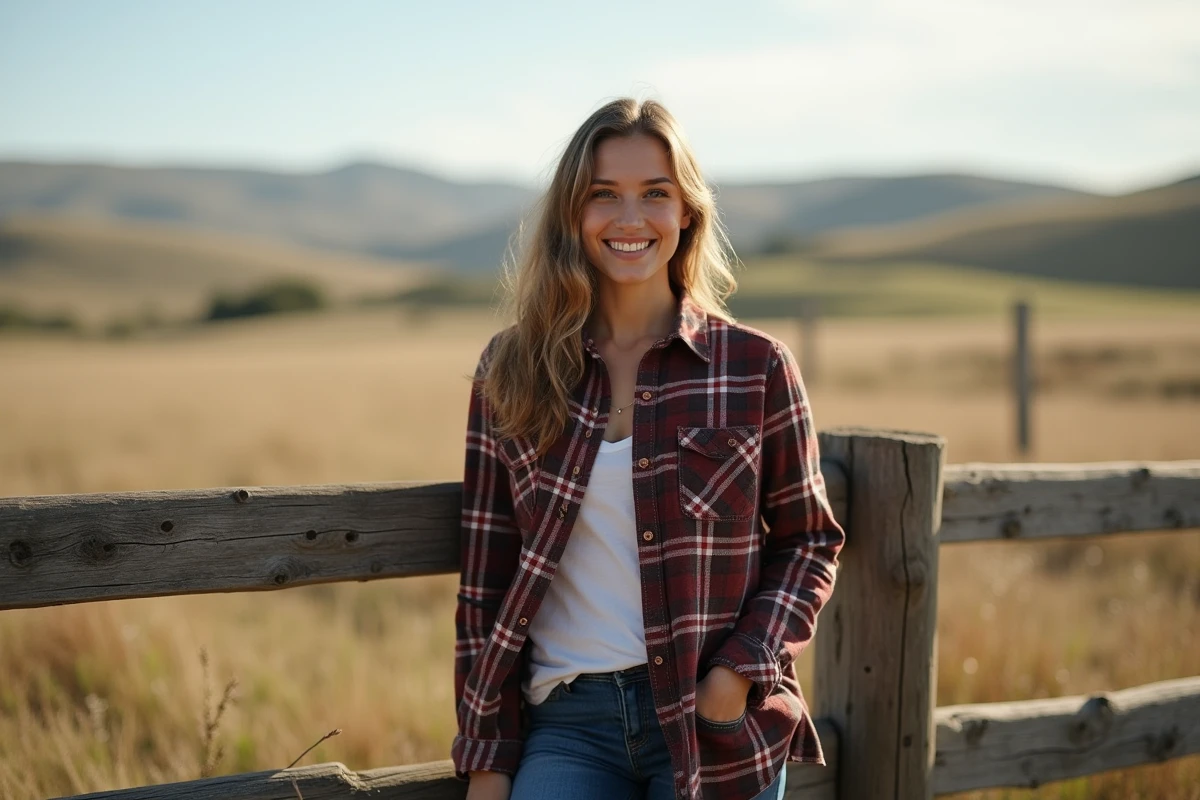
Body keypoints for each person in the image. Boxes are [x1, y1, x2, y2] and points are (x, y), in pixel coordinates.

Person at [452, 98, 845, 800]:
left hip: (711, 722)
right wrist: (488, 758)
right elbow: (486, 585)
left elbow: (808, 542)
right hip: (568, 725)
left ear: (687, 212)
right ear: (573, 214)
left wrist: (735, 677)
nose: (630, 219)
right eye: (604, 195)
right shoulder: (511, 369)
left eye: (654, 194)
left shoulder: (754, 366)